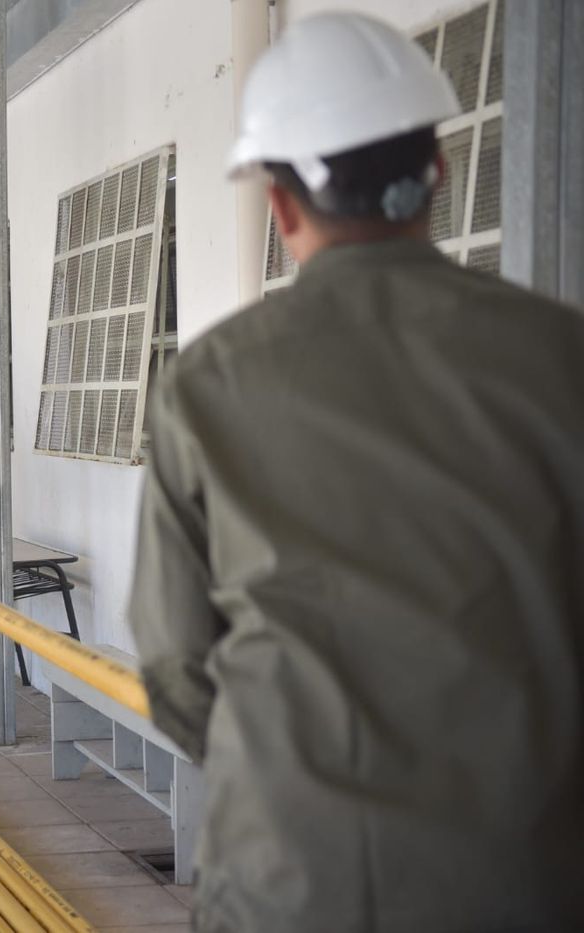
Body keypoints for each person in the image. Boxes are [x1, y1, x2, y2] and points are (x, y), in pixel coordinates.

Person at [129, 12, 584, 932]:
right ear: (439, 172)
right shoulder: (563, 358)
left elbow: (175, 664)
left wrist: (287, 784)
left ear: (283, 206)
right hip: (525, 877)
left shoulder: (206, 386)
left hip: (288, 877)